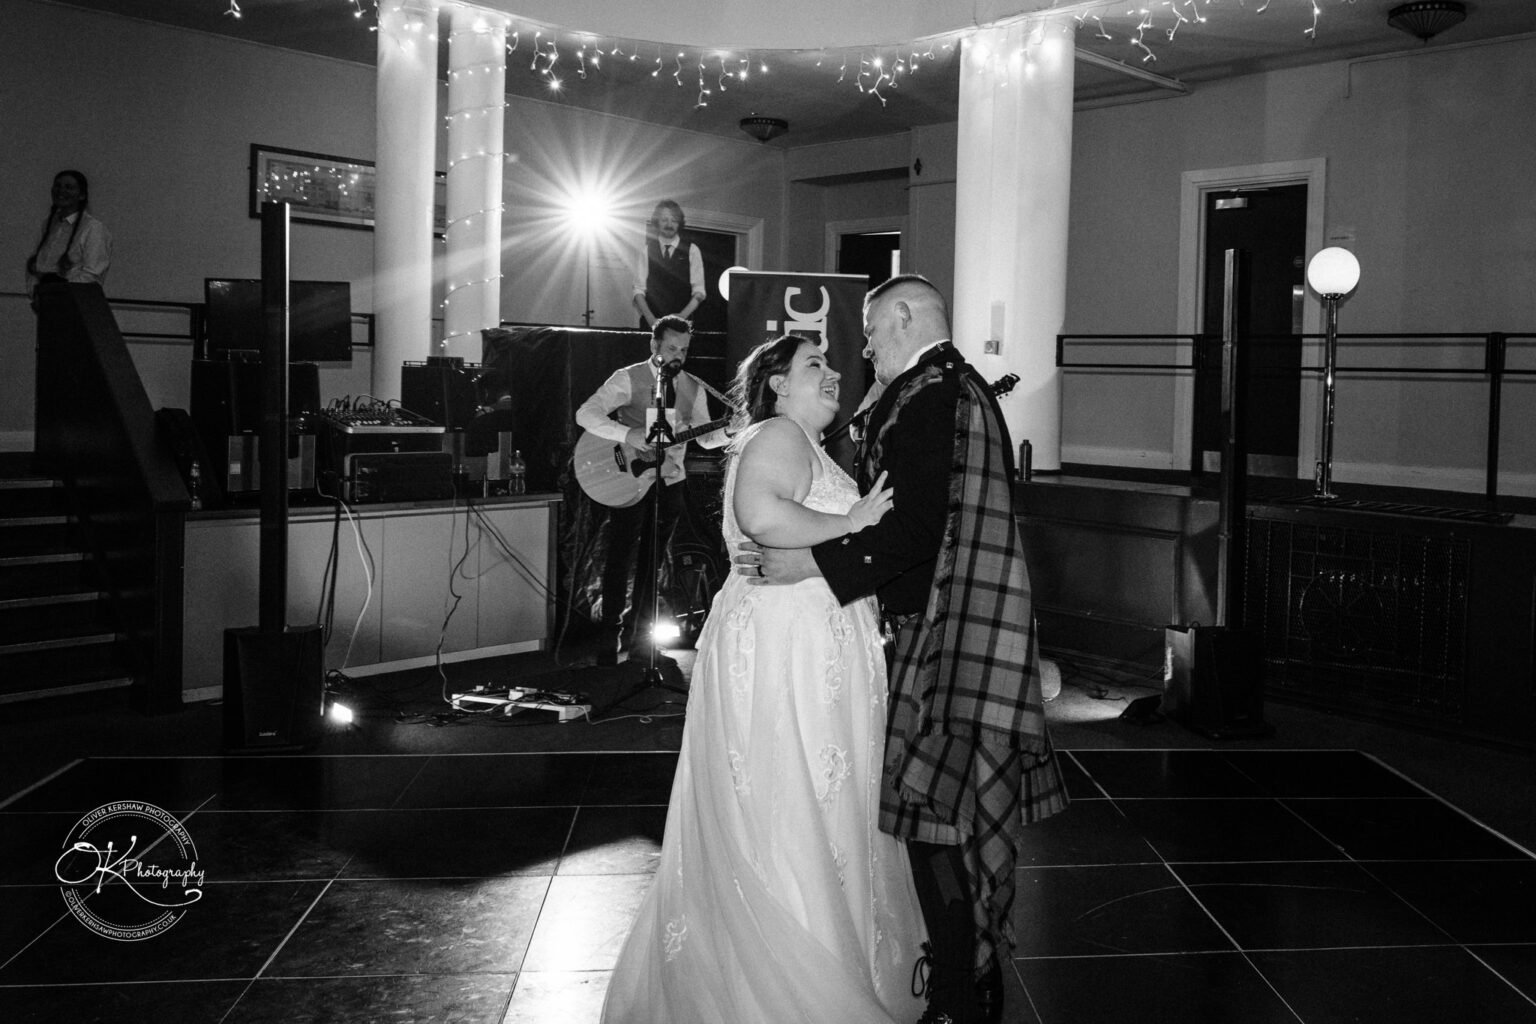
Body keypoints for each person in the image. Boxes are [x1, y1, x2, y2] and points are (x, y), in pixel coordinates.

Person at [744, 275, 1069, 1024]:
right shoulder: (948, 390)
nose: (863, 348)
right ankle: (965, 983)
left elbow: (920, 529)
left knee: (933, 824)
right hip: (949, 624)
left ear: (902, 316)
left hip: (942, 632)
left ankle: (961, 994)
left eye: (870, 330)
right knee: (937, 820)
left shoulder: (934, 399)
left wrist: (813, 568)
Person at [601, 334, 927, 1024]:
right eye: (816, 364)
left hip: (810, 635)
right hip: (784, 642)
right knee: (789, 794)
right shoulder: (776, 432)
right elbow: (763, 517)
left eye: (835, 362)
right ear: (776, 384)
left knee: (820, 794)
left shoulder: (806, 443)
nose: (835, 372)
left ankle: (826, 951)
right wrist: (854, 518)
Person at [574, 315, 728, 665]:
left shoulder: (693, 386)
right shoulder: (628, 378)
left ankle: (641, 639)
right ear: (654, 345)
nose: (678, 356)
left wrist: (728, 431)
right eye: (672, 347)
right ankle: (607, 637)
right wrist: (627, 435)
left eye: (684, 350)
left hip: (670, 480)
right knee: (620, 557)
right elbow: (586, 413)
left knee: (653, 561)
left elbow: (704, 438)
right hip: (629, 477)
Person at [24, 170, 112, 312]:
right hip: (48, 305)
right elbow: (36, 265)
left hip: (76, 308)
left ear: (82, 195)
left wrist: (58, 295)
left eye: (69, 187)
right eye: (58, 186)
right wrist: (37, 294)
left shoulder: (93, 228)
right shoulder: (48, 225)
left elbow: (92, 275)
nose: (61, 190)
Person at [632, 199, 705, 330]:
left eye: (674, 220)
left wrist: (682, 317)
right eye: (664, 220)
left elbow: (699, 292)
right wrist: (651, 320)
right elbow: (638, 290)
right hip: (651, 323)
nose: (669, 224)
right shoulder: (647, 250)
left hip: (682, 324)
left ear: (679, 223)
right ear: (657, 222)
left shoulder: (692, 250)